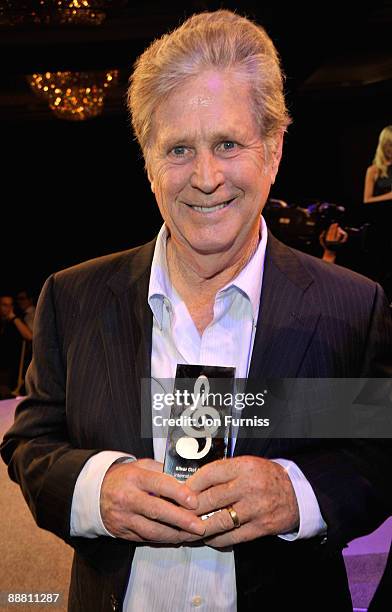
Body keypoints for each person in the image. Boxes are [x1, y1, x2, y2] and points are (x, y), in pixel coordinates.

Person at [1, 10, 392, 612]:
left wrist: (299, 494)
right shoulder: (72, 299)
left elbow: (378, 449)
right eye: (179, 149)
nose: (206, 178)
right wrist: (94, 489)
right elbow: (31, 443)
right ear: (149, 163)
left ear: (274, 150)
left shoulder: (351, 305)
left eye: (228, 144)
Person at [0, 294, 33, 398]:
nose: (8, 308)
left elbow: (29, 336)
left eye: (11, 305)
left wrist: (14, 318)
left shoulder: (16, 321)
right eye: (4, 305)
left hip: (10, 371)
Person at [363, 125, 392, 203]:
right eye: (390, 145)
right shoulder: (373, 170)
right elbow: (367, 200)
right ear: (383, 145)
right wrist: (389, 196)